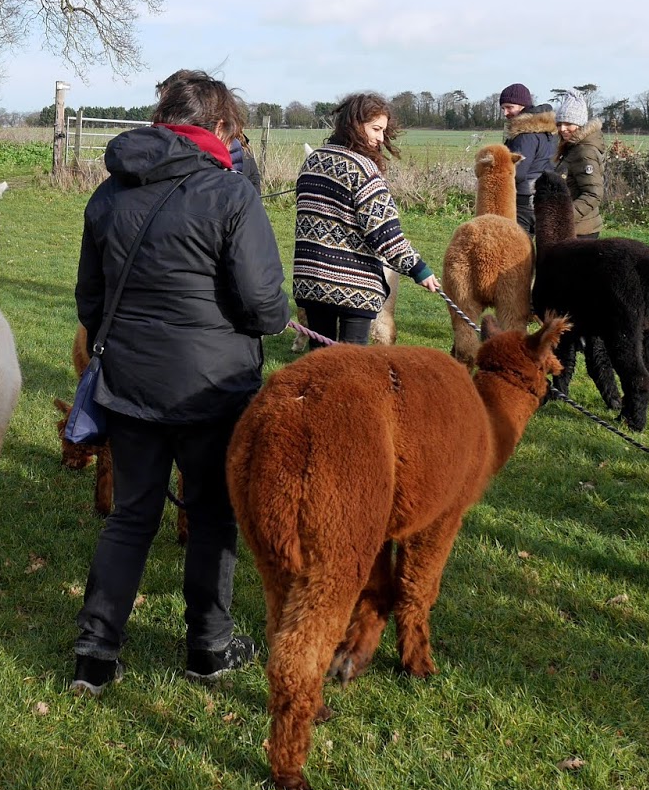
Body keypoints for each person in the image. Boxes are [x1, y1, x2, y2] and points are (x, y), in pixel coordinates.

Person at [71, 69, 289, 696]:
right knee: (213, 514)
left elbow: (90, 299)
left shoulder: (109, 192)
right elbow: (264, 304)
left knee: (131, 515)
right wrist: (268, 321)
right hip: (212, 388)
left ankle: (97, 648)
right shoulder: (231, 194)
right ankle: (208, 645)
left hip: (131, 381)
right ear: (219, 128)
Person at [292, 92, 442, 348]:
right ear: (355, 124)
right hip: (352, 287)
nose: (380, 138)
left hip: (310, 281)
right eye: (375, 129)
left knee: (322, 362)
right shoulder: (362, 169)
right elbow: (384, 232)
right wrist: (419, 270)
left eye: (383, 131)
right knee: (352, 370)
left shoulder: (312, 161)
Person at [499, 82, 557, 234]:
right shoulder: (547, 132)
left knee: (518, 249)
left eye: (509, 107)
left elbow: (517, 172)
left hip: (523, 200)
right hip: (544, 197)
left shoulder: (524, 135)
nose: (505, 113)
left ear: (522, 106)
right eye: (503, 108)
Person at [553, 90, 605, 238]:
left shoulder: (584, 151)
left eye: (568, 123)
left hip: (580, 231)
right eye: (559, 124)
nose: (562, 129)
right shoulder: (571, 148)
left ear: (580, 124)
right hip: (573, 228)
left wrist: (564, 217)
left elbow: (593, 194)